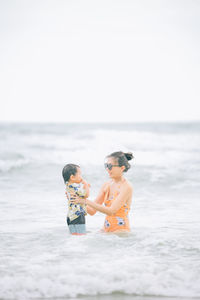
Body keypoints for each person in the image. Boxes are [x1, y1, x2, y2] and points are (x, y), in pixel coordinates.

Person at [71, 151, 133, 233]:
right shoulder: (106, 185)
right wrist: (76, 199)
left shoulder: (126, 187)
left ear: (122, 168)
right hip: (105, 230)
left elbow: (111, 211)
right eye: (106, 166)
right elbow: (92, 211)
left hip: (120, 232)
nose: (107, 169)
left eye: (110, 166)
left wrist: (85, 201)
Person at [62, 164, 90, 235]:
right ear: (72, 177)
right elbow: (86, 194)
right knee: (81, 236)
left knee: (74, 237)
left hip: (70, 216)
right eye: (80, 174)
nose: (81, 177)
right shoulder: (75, 187)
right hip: (78, 216)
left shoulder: (68, 186)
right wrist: (86, 185)